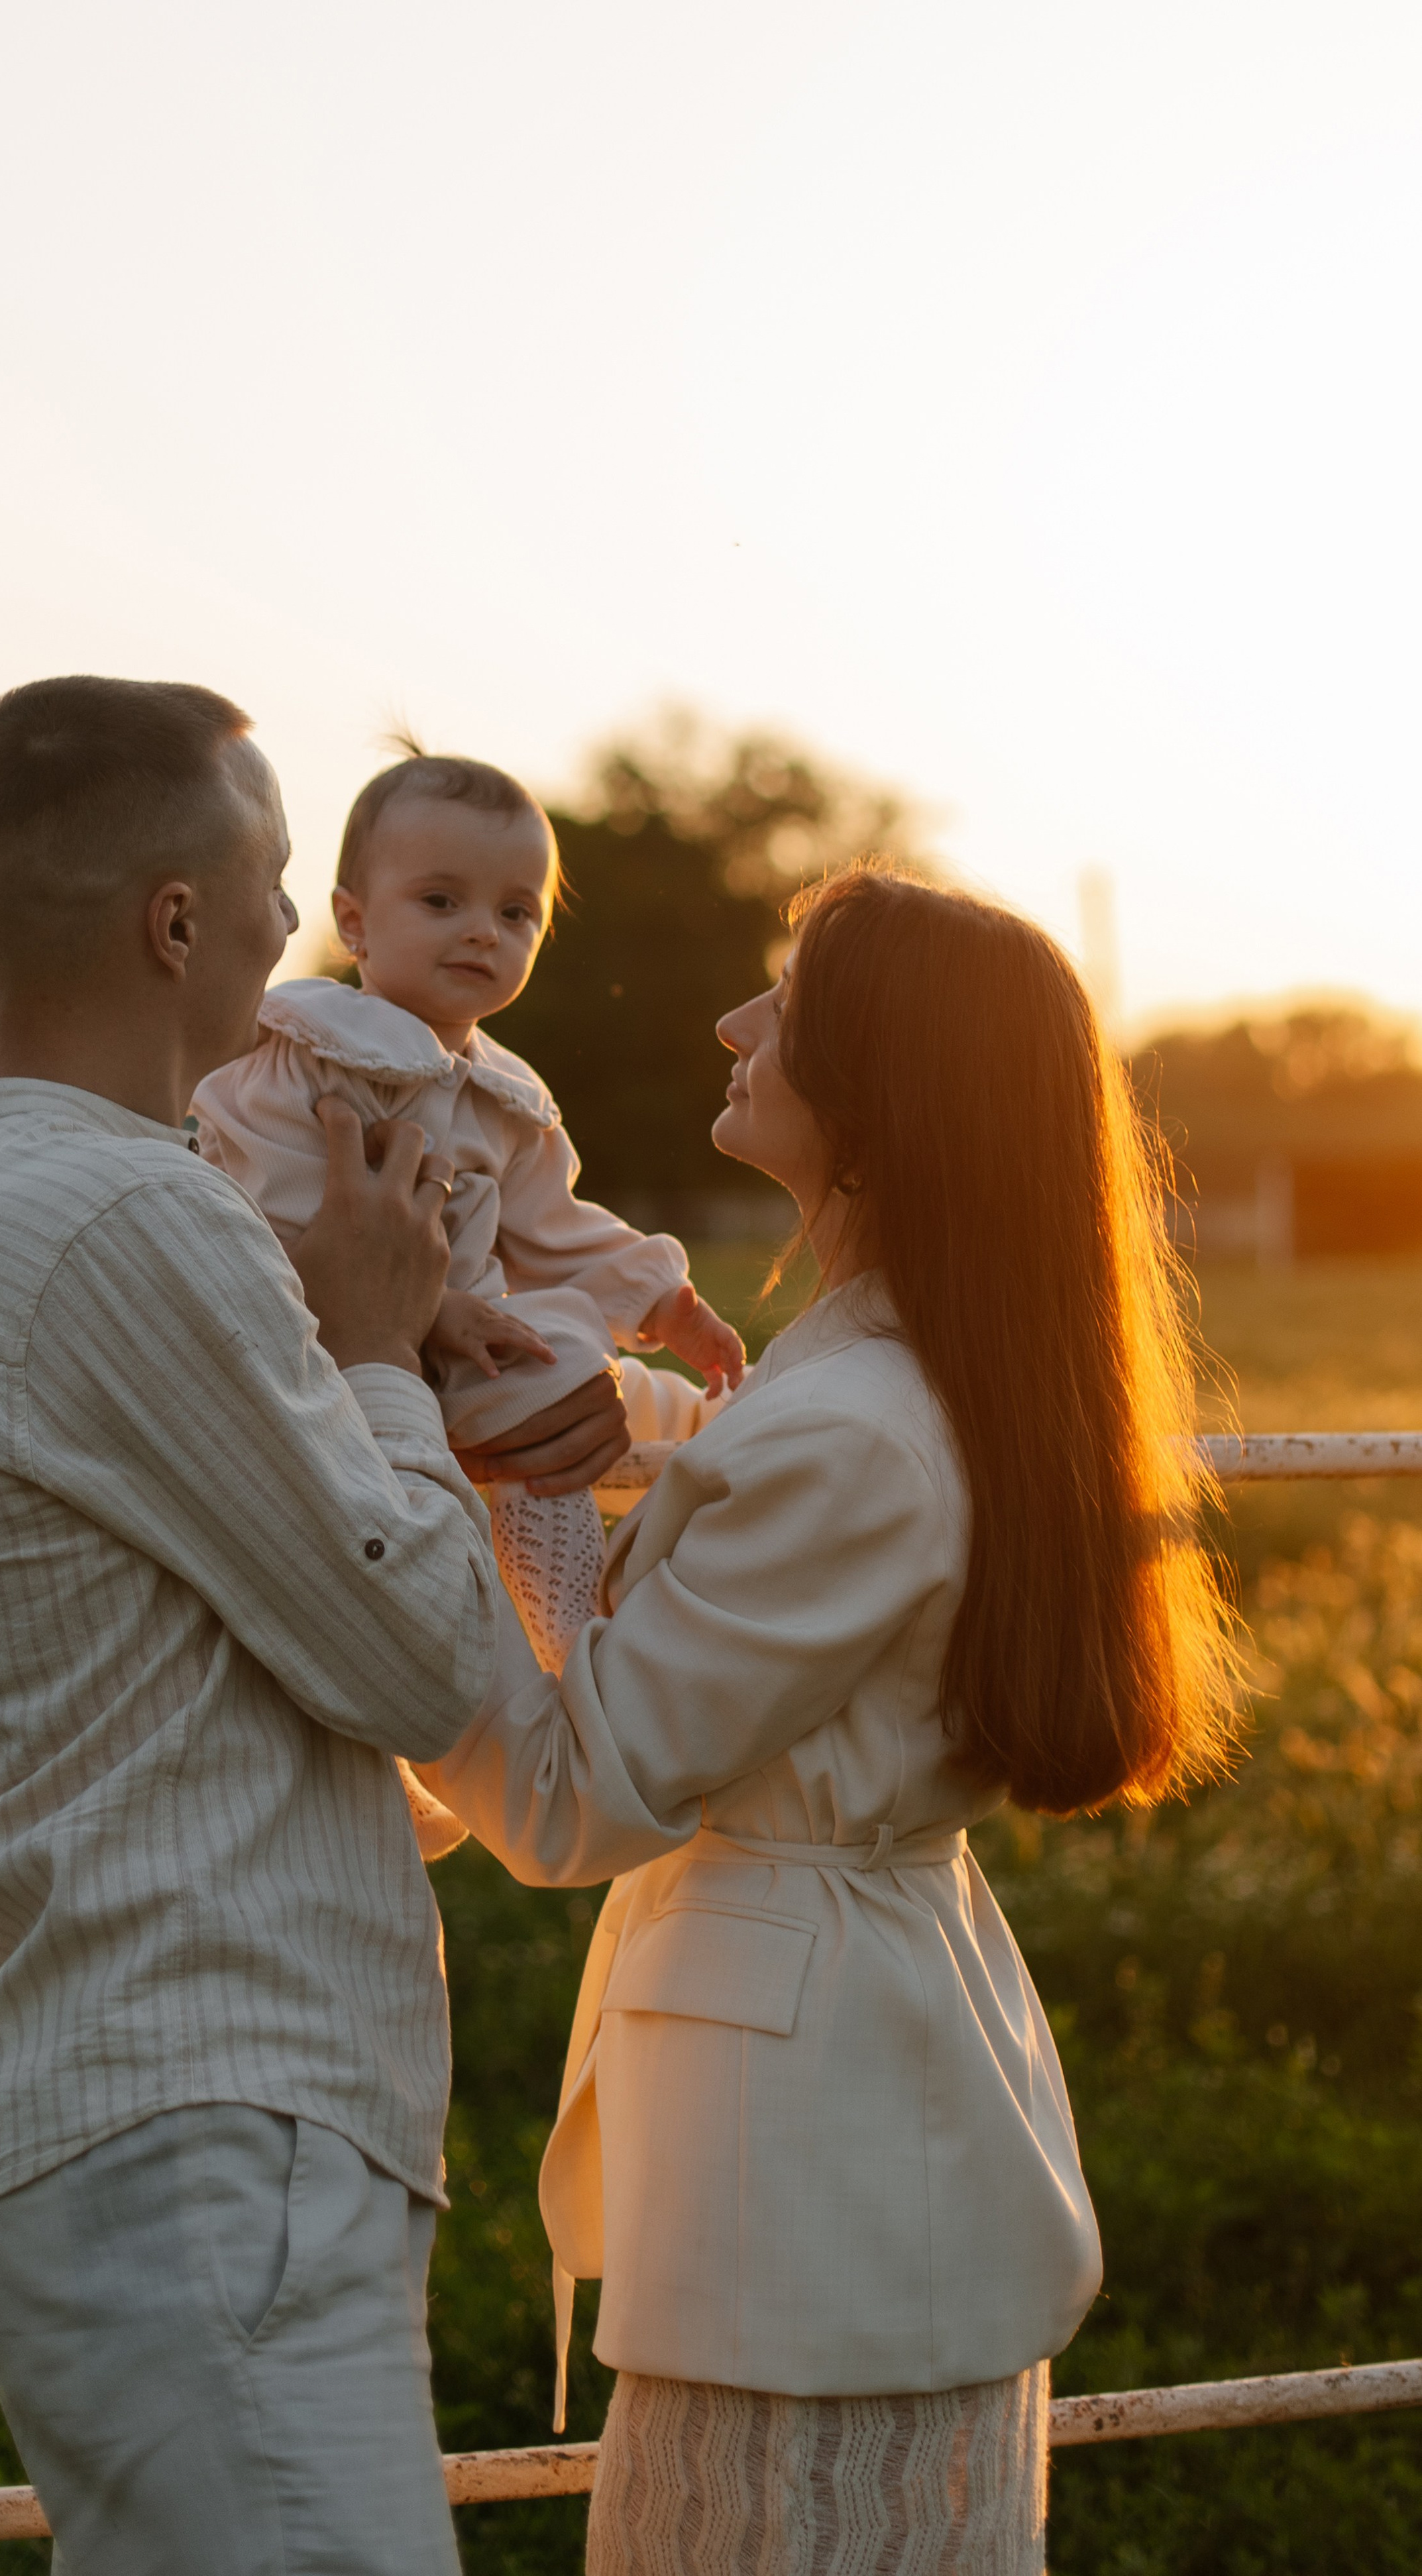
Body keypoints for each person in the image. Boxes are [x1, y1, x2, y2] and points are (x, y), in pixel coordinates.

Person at [0, 675, 626, 2576]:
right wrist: (379, 1350)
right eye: (276, 877)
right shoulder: (134, 1223)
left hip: (164, 2107)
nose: (297, 926)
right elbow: (418, 1663)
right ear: (177, 924)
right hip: (207, 2109)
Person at [419, 866, 1237, 2575]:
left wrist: (379, 1459)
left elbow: (572, 1801)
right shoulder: (893, 1363)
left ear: (880, 1095)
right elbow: (746, 1465)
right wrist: (599, 1411)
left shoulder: (860, 1424)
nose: (732, 1024)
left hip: (805, 2176)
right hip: (843, 2112)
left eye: (780, 1001)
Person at [191, 745, 745, 1671]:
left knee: (561, 1362)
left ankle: (563, 1618)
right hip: (315, 1335)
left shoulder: (505, 1100)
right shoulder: (311, 1048)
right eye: (442, 902)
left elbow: (557, 1229)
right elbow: (271, 1201)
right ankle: (430, 1667)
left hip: (469, 1356)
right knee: (329, 1547)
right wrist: (424, 1309)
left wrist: (666, 1304)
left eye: (516, 912)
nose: (484, 932)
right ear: (354, 924)